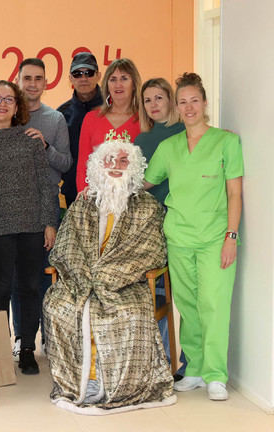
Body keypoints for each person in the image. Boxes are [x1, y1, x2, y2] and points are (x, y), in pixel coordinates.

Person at [43, 135, 175, 414]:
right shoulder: (82, 204)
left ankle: (114, 386)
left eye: (124, 160)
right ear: (98, 166)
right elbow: (67, 246)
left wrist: (107, 276)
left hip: (126, 284)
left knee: (128, 313)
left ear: (135, 166)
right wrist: (84, 278)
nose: (116, 165)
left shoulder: (148, 206)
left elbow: (151, 251)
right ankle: (81, 382)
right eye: (109, 160)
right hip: (80, 283)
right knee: (58, 305)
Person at [145, 72, 243, 401]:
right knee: (187, 305)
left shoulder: (226, 142)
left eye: (194, 101)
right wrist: (108, 173)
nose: (189, 108)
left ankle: (216, 374)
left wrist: (231, 235)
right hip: (179, 236)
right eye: (183, 102)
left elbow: (235, 194)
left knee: (213, 304)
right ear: (177, 106)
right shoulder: (169, 147)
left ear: (204, 104)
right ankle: (196, 368)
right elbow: (144, 181)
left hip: (216, 237)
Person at [0, 80, 59, 375]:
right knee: (0, 288)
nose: (3, 104)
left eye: (9, 99)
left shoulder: (31, 139)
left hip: (31, 225)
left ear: (17, 106)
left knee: (30, 287)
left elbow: (46, 185)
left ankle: (28, 347)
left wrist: (50, 222)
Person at [12, 58, 72, 356]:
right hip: (14, 210)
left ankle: (49, 336)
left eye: (38, 78)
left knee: (47, 274)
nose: (32, 84)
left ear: (45, 83)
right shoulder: (7, 116)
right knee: (18, 277)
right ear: (19, 80)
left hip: (47, 208)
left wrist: (45, 147)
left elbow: (65, 163)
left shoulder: (56, 120)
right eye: (27, 78)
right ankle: (22, 338)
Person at [134, 78, 187, 375]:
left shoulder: (186, 132)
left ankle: (190, 363)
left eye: (159, 98)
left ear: (171, 100)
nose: (153, 105)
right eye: (147, 100)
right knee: (157, 293)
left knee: (185, 293)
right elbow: (137, 185)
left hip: (183, 220)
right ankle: (161, 357)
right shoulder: (142, 140)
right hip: (151, 225)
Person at [76, 58, 142, 192]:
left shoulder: (144, 119)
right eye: (113, 79)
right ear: (106, 85)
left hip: (134, 200)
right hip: (98, 198)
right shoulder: (91, 118)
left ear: (134, 84)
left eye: (124, 78)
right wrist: (85, 195)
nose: (118, 84)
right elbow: (83, 165)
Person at [58, 52, 103, 207]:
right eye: (77, 74)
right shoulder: (61, 115)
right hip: (72, 196)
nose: (83, 78)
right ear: (70, 78)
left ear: (98, 75)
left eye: (89, 73)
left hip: (109, 195)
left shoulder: (114, 109)